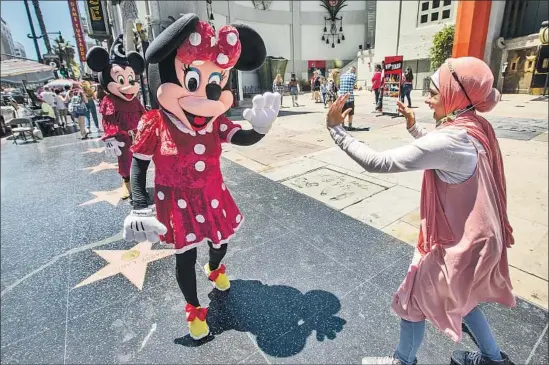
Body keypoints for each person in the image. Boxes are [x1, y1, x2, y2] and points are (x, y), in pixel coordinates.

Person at [326, 57, 516, 365]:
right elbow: (443, 152)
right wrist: (415, 127)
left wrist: (336, 130)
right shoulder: (475, 126)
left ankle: (403, 361)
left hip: (454, 244)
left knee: (411, 302)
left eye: (433, 92)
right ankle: (494, 359)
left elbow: (379, 162)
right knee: (465, 302)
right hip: (480, 238)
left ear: (457, 95)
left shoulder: (451, 138)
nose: (427, 99)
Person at [122, 15, 280, 341]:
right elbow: (138, 167)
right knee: (185, 255)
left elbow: (241, 138)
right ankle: (194, 308)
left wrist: (261, 129)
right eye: (193, 81)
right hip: (177, 201)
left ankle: (215, 266)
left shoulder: (215, 123)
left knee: (220, 244)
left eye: (215, 84)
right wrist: (139, 206)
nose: (207, 97)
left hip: (212, 195)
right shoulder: (155, 123)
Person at [86, 35, 146, 199]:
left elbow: (144, 114)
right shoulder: (110, 101)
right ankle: (127, 183)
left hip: (138, 137)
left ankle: (139, 183)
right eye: (121, 79)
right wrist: (111, 138)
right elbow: (108, 121)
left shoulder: (134, 100)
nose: (128, 85)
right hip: (123, 139)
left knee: (141, 161)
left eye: (131, 79)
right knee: (126, 161)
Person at [338, 66, 357, 130]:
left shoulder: (342, 76)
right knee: (350, 113)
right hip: (350, 97)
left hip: (342, 98)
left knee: (342, 112)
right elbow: (353, 84)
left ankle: (342, 125)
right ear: (353, 70)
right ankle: (350, 126)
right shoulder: (353, 75)